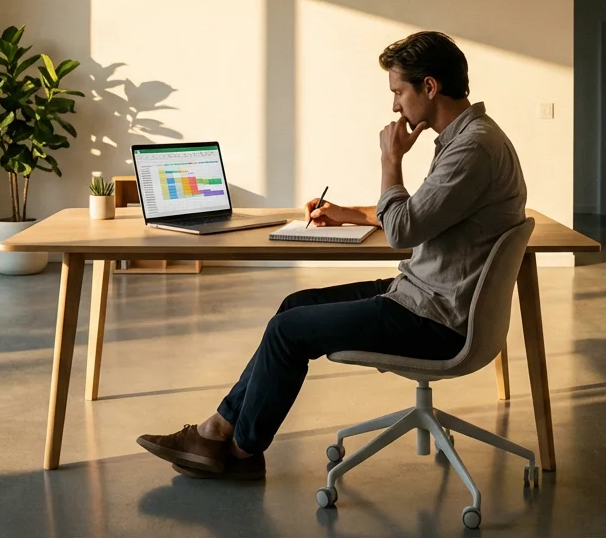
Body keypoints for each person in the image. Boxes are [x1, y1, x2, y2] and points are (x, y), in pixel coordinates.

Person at [136, 31, 527, 480]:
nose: (395, 106)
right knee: (295, 306)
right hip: (427, 296)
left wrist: (390, 158)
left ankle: (238, 452)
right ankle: (220, 429)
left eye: (398, 91)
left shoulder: (471, 148)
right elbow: (427, 215)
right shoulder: (473, 138)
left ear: (430, 87)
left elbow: (403, 230)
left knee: (288, 333)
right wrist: (352, 214)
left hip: (436, 320)